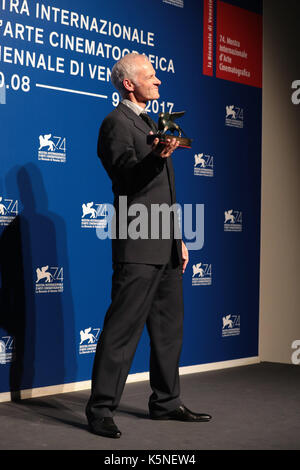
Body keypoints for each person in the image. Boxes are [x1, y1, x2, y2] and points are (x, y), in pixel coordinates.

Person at [85, 53, 211, 438]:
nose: (158, 82)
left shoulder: (152, 123)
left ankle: (166, 402)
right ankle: (101, 409)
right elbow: (126, 180)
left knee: (169, 330)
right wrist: (157, 155)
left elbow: (163, 194)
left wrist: (179, 239)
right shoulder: (115, 124)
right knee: (122, 330)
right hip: (138, 243)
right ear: (128, 84)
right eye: (151, 76)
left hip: (166, 244)